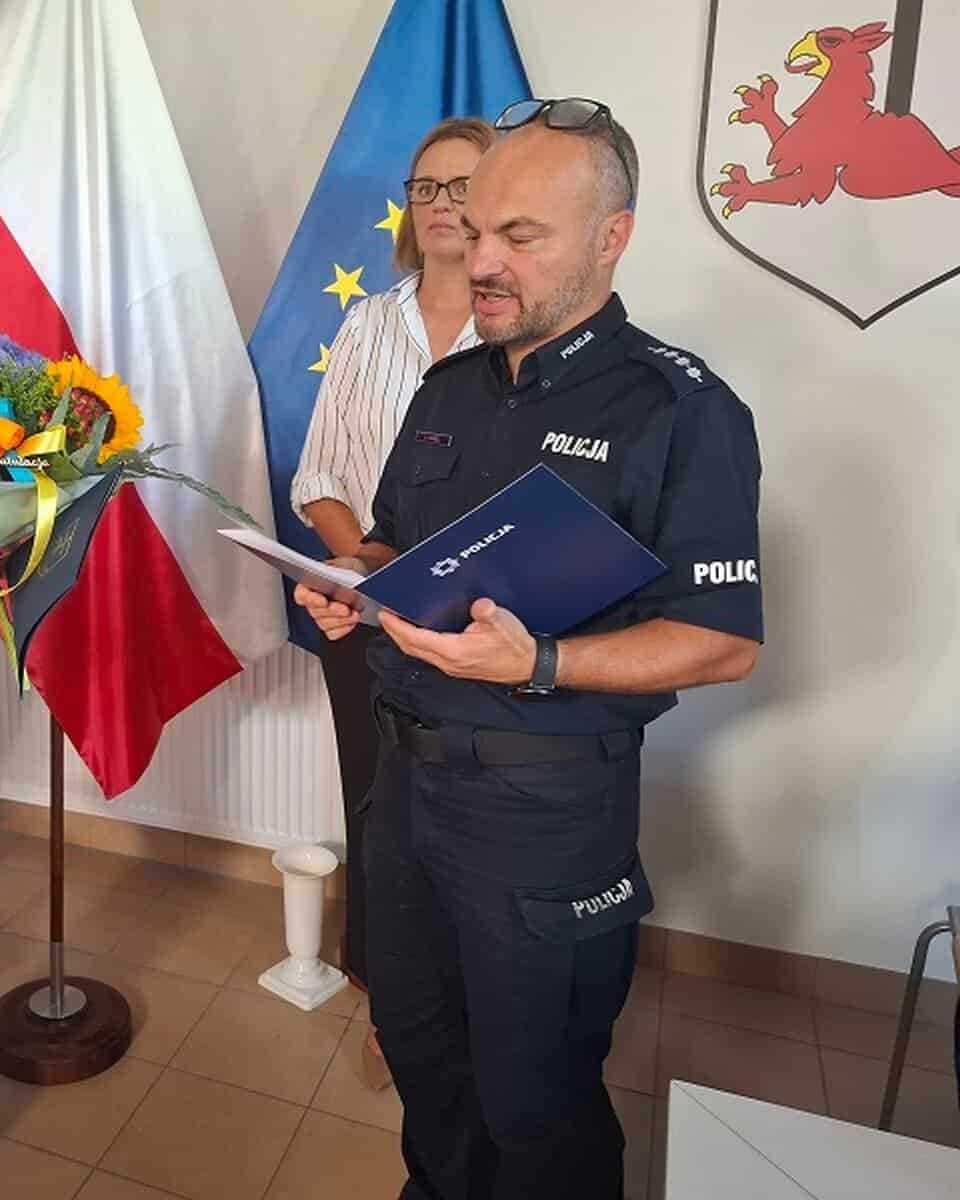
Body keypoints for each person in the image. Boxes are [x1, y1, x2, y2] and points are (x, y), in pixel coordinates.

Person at [294, 98, 763, 1199]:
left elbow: (721, 644)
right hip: (403, 787)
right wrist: (355, 583)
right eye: (474, 229)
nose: (482, 260)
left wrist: (542, 664)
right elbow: (395, 545)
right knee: (423, 1055)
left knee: (535, 1100)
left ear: (611, 237)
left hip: (541, 808)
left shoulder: (678, 409)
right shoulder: (450, 387)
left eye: (521, 235)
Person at [290, 116, 493, 1089]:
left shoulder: (525, 323)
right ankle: (385, 1001)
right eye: (426, 188)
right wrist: (367, 570)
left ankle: (471, 1004)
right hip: (364, 612)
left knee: (468, 818)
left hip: (485, 626)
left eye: (463, 186)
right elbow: (320, 471)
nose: (442, 204)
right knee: (376, 809)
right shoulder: (369, 322)